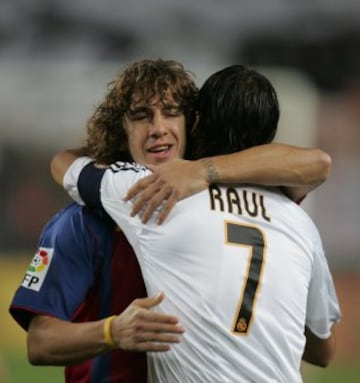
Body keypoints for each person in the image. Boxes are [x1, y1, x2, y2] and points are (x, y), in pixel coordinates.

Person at [10, 59, 332, 383]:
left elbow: (65, 163)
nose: (158, 128)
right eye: (140, 116)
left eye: (172, 112)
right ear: (119, 128)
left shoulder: (181, 204)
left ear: (193, 124)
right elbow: (40, 343)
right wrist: (111, 331)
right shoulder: (83, 222)